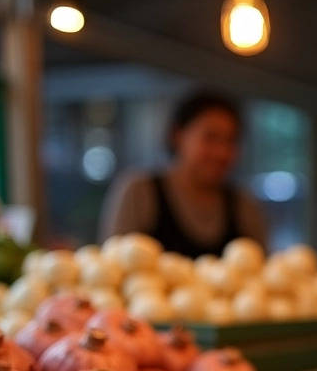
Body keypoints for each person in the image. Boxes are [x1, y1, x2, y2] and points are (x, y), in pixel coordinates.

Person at [99, 90, 267, 256]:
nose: (222, 152)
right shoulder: (140, 191)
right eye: (211, 137)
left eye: (231, 140)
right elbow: (114, 265)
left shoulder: (245, 205)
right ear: (178, 136)